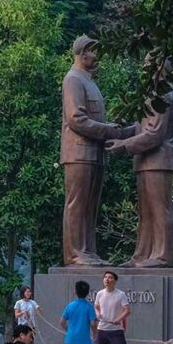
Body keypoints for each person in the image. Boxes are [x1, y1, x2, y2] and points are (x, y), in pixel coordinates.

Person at [60, 35, 132, 266]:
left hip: (95, 153)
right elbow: (76, 119)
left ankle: (88, 251)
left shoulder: (89, 81)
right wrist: (107, 130)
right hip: (78, 153)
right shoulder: (73, 79)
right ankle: (75, 254)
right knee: (77, 203)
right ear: (83, 53)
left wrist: (114, 128)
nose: (97, 56)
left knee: (90, 206)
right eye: (93, 51)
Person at [103, 55, 173, 267]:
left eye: (149, 64)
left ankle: (163, 256)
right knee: (146, 212)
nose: (145, 68)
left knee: (159, 209)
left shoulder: (162, 94)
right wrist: (119, 133)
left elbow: (154, 134)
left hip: (158, 161)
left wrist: (123, 145)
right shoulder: (151, 93)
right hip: (145, 162)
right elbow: (141, 128)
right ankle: (142, 255)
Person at [94, 271, 133, 344]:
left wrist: (118, 319)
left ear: (115, 281)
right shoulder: (100, 293)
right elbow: (96, 306)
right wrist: (97, 313)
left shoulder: (120, 294)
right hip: (102, 328)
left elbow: (127, 310)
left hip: (116, 330)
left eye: (110, 277)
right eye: (105, 277)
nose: (107, 279)